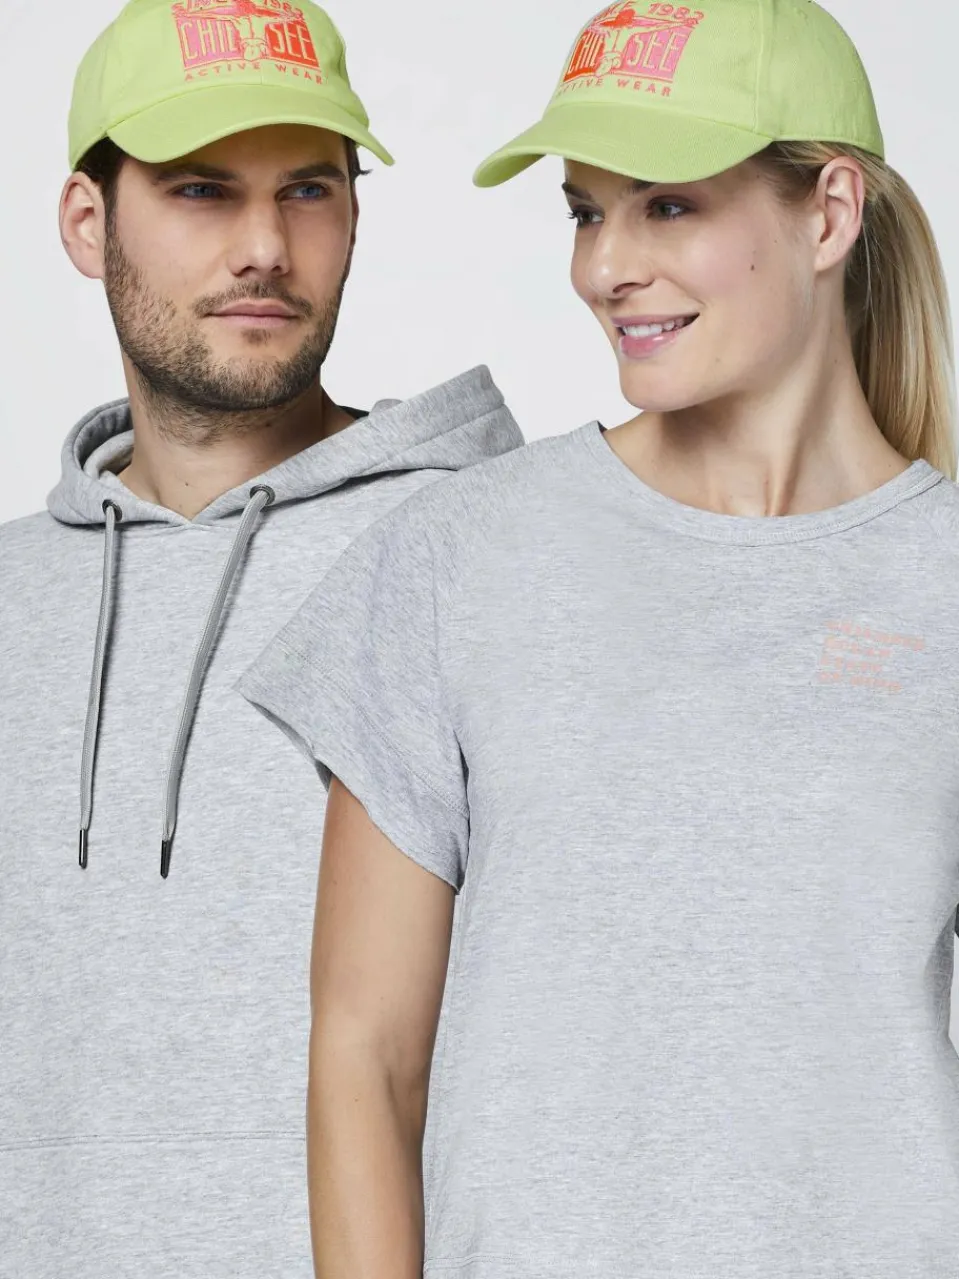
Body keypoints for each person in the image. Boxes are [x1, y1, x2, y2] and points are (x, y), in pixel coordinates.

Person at [240, 0, 959, 1275]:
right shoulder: (459, 556)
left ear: (828, 215)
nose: (603, 266)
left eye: (664, 205)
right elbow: (365, 1058)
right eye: (585, 211)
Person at [0, 0, 521, 1274]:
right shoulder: (14, 597)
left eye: (307, 190)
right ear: (87, 222)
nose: (265, 248)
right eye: (200, 190)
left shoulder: (496, 546)